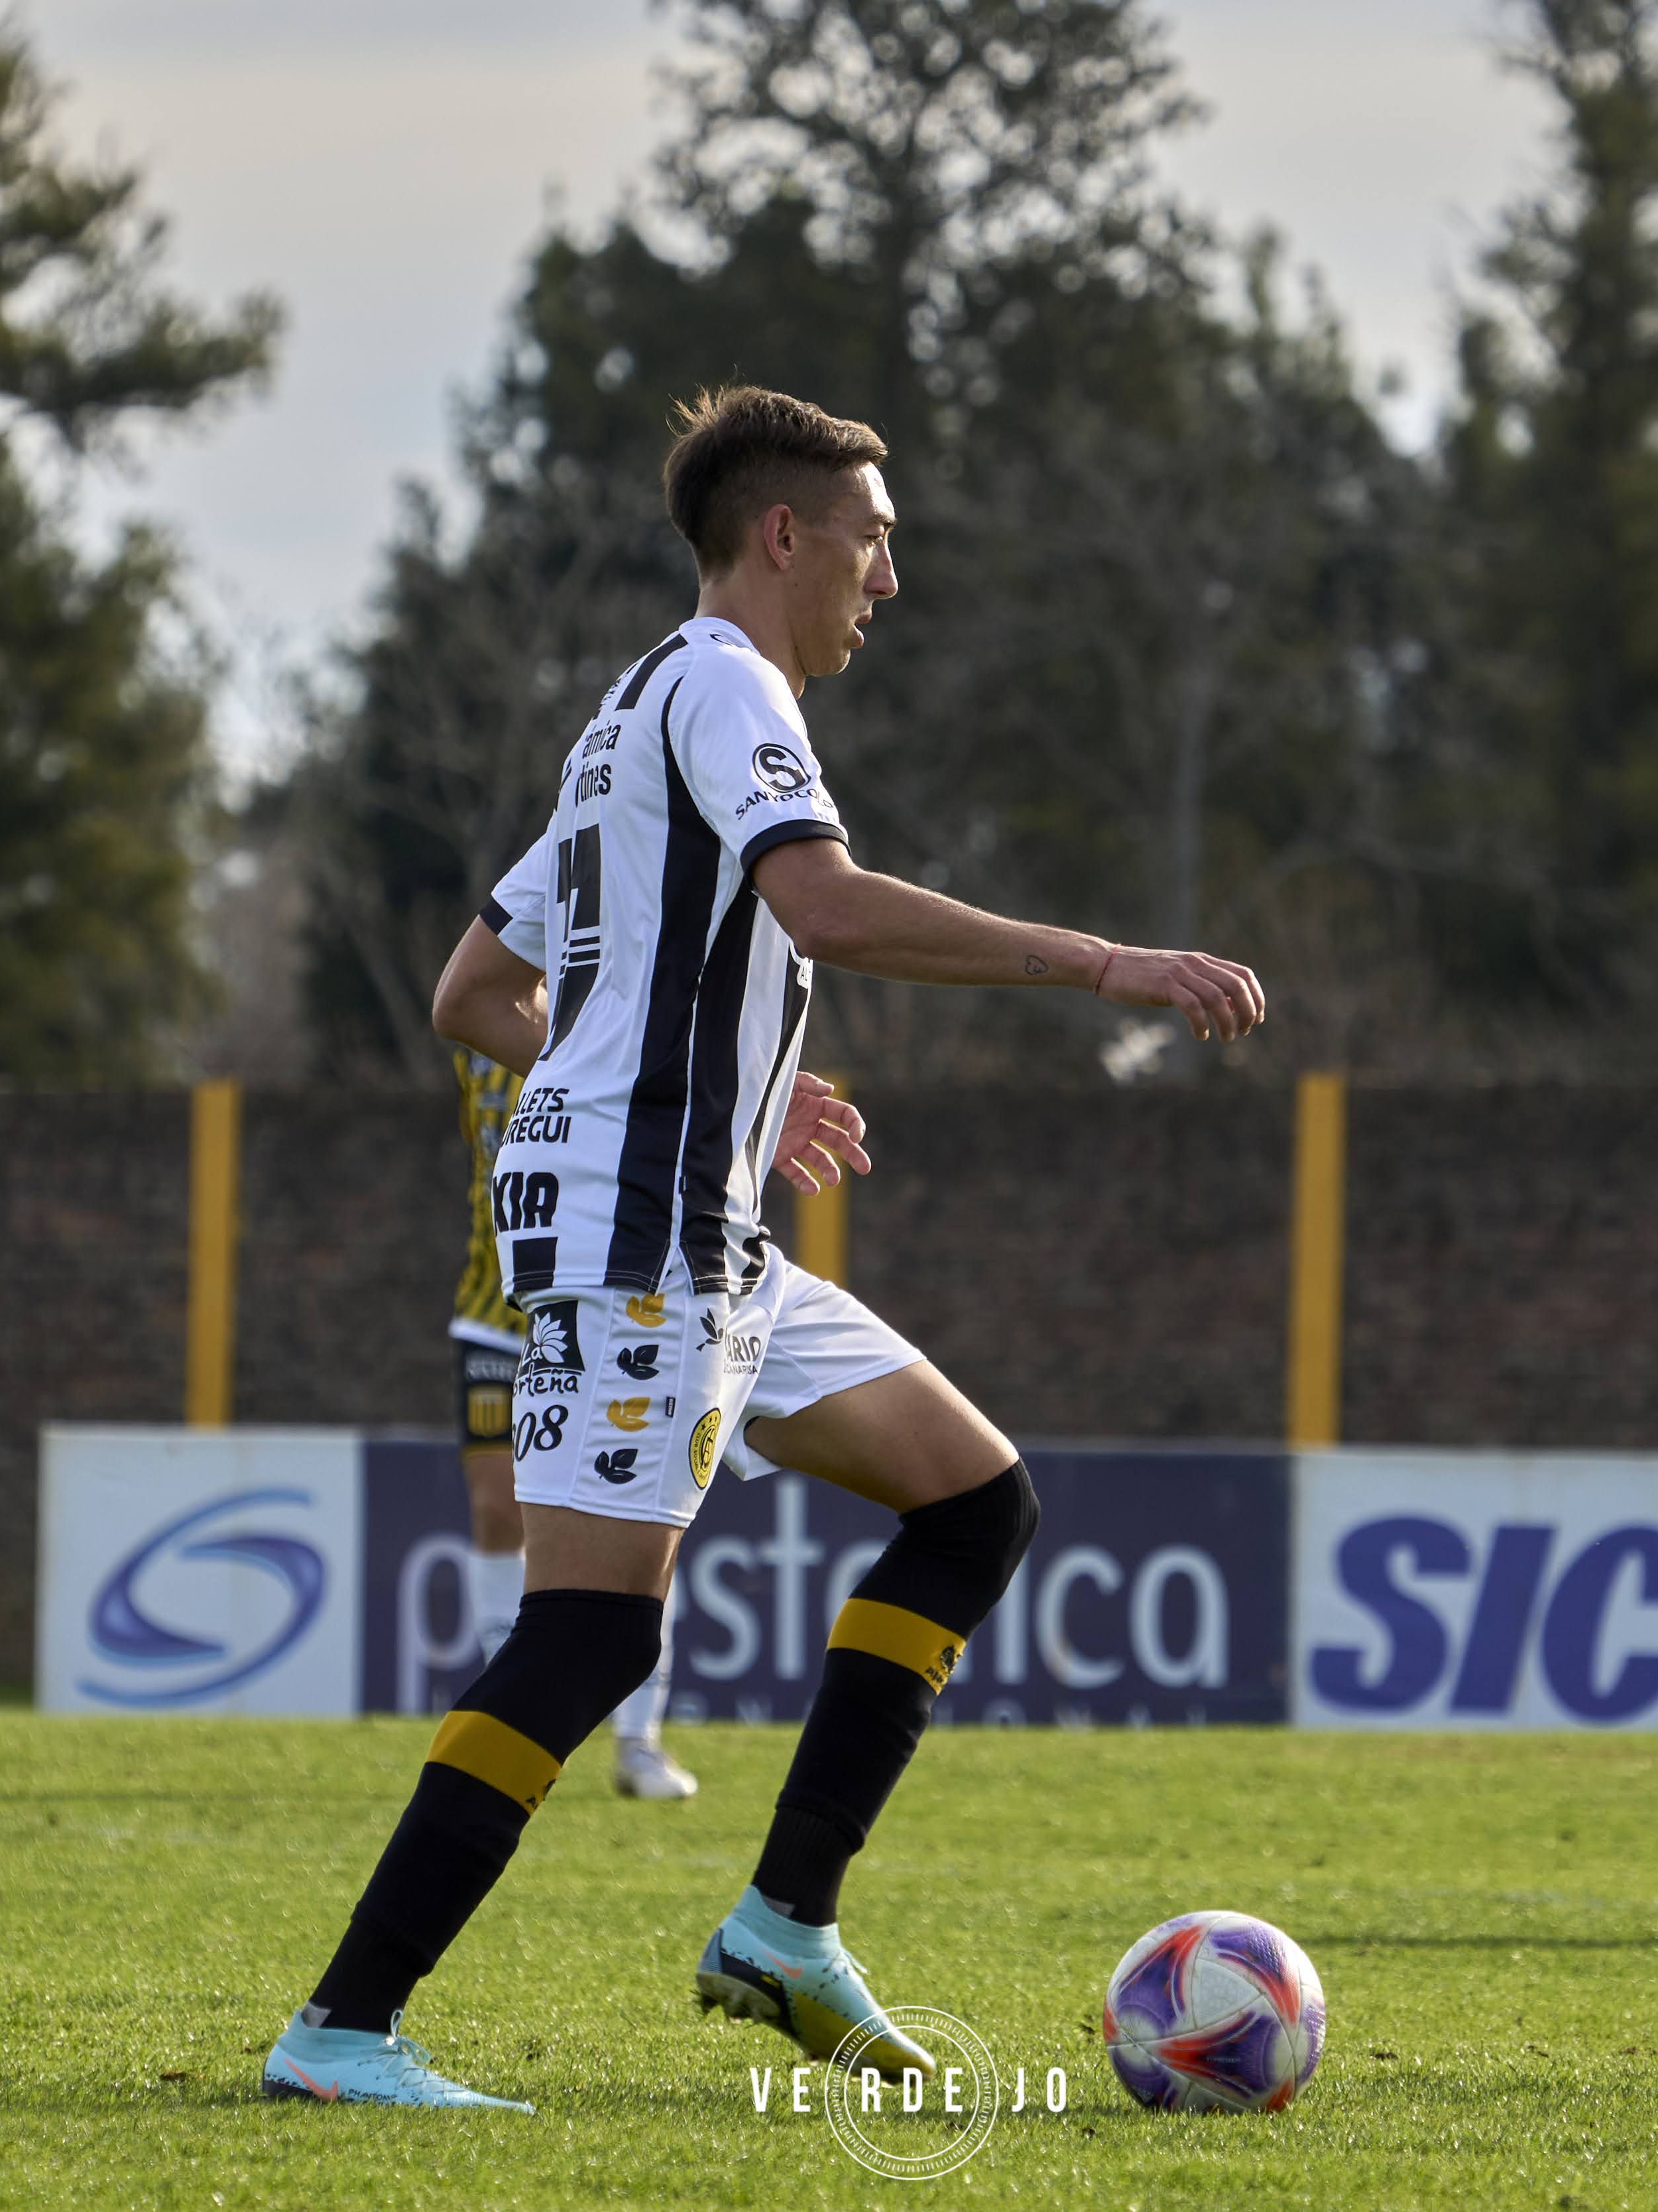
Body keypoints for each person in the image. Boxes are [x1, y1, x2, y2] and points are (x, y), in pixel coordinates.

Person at [259, 386, 1264, 2112]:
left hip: (690, 1206)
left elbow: (474, 992)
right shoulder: (727, 686)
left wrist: (727, 1076)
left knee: (972, 1503)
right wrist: (1102, 964)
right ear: (783, 535)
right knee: (585, 1637)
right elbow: (824, 904)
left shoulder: (629, 718)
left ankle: (783, 1928)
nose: (891, 573)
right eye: (873, 538)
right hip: (641, 1217)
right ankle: (342, 2031)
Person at [448, 1040, 695, 1798]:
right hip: (494, 1308)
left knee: (646, 1516)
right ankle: (503, 1718)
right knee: (498, 1509)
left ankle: (637, 1741)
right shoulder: (483, 1018)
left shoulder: (623, 1021)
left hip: (606, 1300)